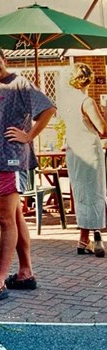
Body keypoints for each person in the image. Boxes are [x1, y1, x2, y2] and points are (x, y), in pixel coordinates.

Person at [0, 44, 56, 304]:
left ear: (3, 59)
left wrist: (29, 135)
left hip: (11, 160)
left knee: (4, 218)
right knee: (16, 216)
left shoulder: (20, 83)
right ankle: (25, 272)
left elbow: (49, 109)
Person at [64, 63, 106, 258]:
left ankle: (82, 239)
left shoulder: (67, 101)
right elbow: (102, 128)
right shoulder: (86, 101)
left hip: (74, 152)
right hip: (89, 151)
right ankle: (97, 236)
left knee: (81, 193)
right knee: (95, 192)